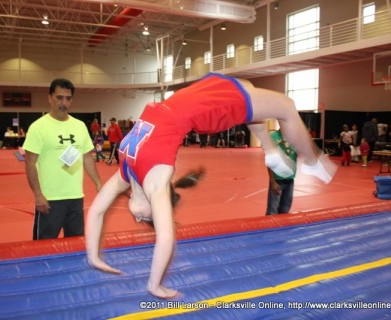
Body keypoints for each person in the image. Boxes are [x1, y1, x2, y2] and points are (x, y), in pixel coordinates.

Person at [85, 73, 337, 299]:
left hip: (194, 97)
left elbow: (96, 211)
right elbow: (165, 239)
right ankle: (313, 161)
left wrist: (93, 256)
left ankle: (270, 149)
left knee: (245, 86)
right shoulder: (155, 183)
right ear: (158, 204)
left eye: (142, 221)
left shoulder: (125, 173)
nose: (139, 219)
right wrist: (155, 284)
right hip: (203, 108)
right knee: (287, 106)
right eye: (147, 220)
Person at [23, 78, 102, 240]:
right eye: (59, 98)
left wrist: (98, 183)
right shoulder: (38, 127)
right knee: (43, 247)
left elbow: (87, 157)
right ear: (50, 98)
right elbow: (30, 162)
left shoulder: (79, 126)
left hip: (75, 198)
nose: (63, 102)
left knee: (75, 245)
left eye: (68, 98)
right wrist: (38, 195)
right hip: (50, 199)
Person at [264, 119, 297, 215]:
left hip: (290, 179)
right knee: (272, 211)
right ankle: (269, 229)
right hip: (278, 180)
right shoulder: (273, 137)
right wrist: (273, 181)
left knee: (285, 211)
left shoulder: (294, 138)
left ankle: (282, 230)